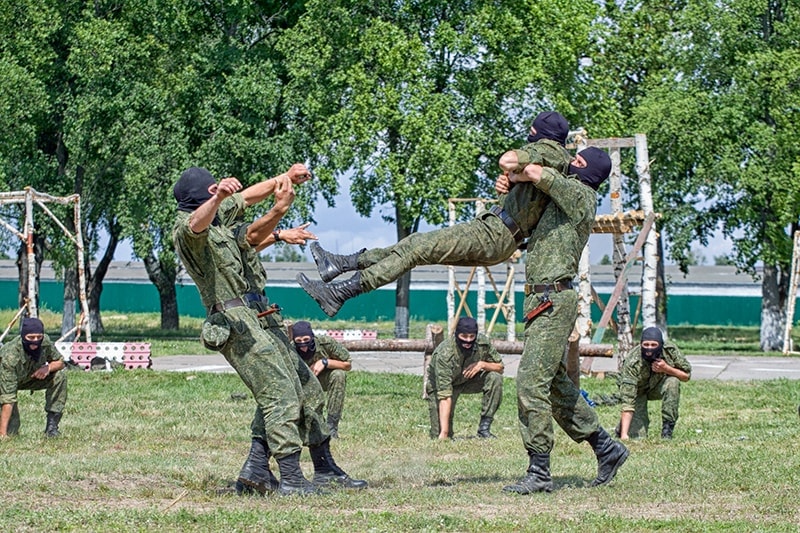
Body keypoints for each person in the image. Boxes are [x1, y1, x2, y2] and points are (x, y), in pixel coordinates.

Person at [172, 165, 364, 496]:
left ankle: (295, 469)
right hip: (233, 320)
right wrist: (231, 200)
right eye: (215, 188)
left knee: (306, 387)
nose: (223, 192)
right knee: (279, 393)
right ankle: (290, 478)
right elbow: (195, 224)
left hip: (257, 313)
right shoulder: (188, 229)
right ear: (206, 194)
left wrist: (283, 178)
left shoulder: (220, 216)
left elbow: (247, 197)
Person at [298, 112, 575, 317]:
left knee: (416, 247)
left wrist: (512, 170)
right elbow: (520, 184)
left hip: (495, 233)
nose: (527, 136)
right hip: (502, 236)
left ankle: (341, 292)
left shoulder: (547, 150)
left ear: (541, 134)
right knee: (411, 246)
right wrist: (510, 181)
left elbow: (507, 160)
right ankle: (340, 264)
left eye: (531, 131)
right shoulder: (553, 162)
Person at [500, 146, 629, 494]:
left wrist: (517, 169)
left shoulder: (580, 194)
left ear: (586, 170)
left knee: (530, 382)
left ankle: (539, 471)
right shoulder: (564, 199)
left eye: (577, 160)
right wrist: (510, 185)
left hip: (554, 299)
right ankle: (606, 447)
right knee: (554, 383)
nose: (570, 162)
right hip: (542, 298)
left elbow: (538, 173)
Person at [425, 317, 504, 440]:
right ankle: (444, 432)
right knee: (440, 435)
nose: (468, 340)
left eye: (472, 336)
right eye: (464, 336)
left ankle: (484, 429)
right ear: (457, 334)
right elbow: (444, 396)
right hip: (441, 386)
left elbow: (500, 367)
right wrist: (444, 433)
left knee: (495, 377)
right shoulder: (445, 354)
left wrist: (482, 364)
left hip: (468, 379)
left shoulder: (482, 342)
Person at [617, 327, 692, 440]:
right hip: (638, 392)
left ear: (661, 345)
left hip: (657, 386)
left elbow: (686, 376)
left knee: (673, 382)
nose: (649, 348)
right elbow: (628, 400)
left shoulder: (669, 351)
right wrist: (624, 436)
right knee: (638, 438)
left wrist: (666, 369)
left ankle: (667, 430)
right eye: (646, 345)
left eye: (653, 345)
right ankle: (622, 428)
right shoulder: (633, 362)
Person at [0, 317, 67, 438]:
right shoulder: (10, 356)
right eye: (31, 338)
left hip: (30, 378)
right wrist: (3, 435)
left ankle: (52, 428)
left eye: (38, 337)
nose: (35, 341)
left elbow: (60, 362)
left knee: (59, 376)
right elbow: (8, 398)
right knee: (11, 432)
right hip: (4, 381)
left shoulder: (45, 341)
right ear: (23, 336)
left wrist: (48, 368)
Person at [291, 321, 353, 438]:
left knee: (339, 375)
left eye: (306, 339)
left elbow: (347, 365)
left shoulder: (326, 343)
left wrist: (325, 362)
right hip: (301, 383)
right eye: (298, 341)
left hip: (323, 378)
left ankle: (331, 426)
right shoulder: (290, 349)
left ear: (312, 337)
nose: (303, 344)